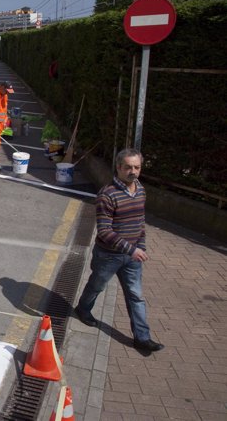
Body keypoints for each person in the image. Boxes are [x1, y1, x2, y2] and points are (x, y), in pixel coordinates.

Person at [74, 149, 164, 354]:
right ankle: (83, 309)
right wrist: (131, 249)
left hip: (132, 257)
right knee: (97, 286)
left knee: (136, 296)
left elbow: (140, 222)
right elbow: (104, 231)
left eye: (137, 167)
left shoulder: (140, 189)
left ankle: (142, 338)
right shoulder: (107, 194)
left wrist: (141, 246)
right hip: (108, 255)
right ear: (119, 168)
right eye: (128, 167)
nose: (133, 171)